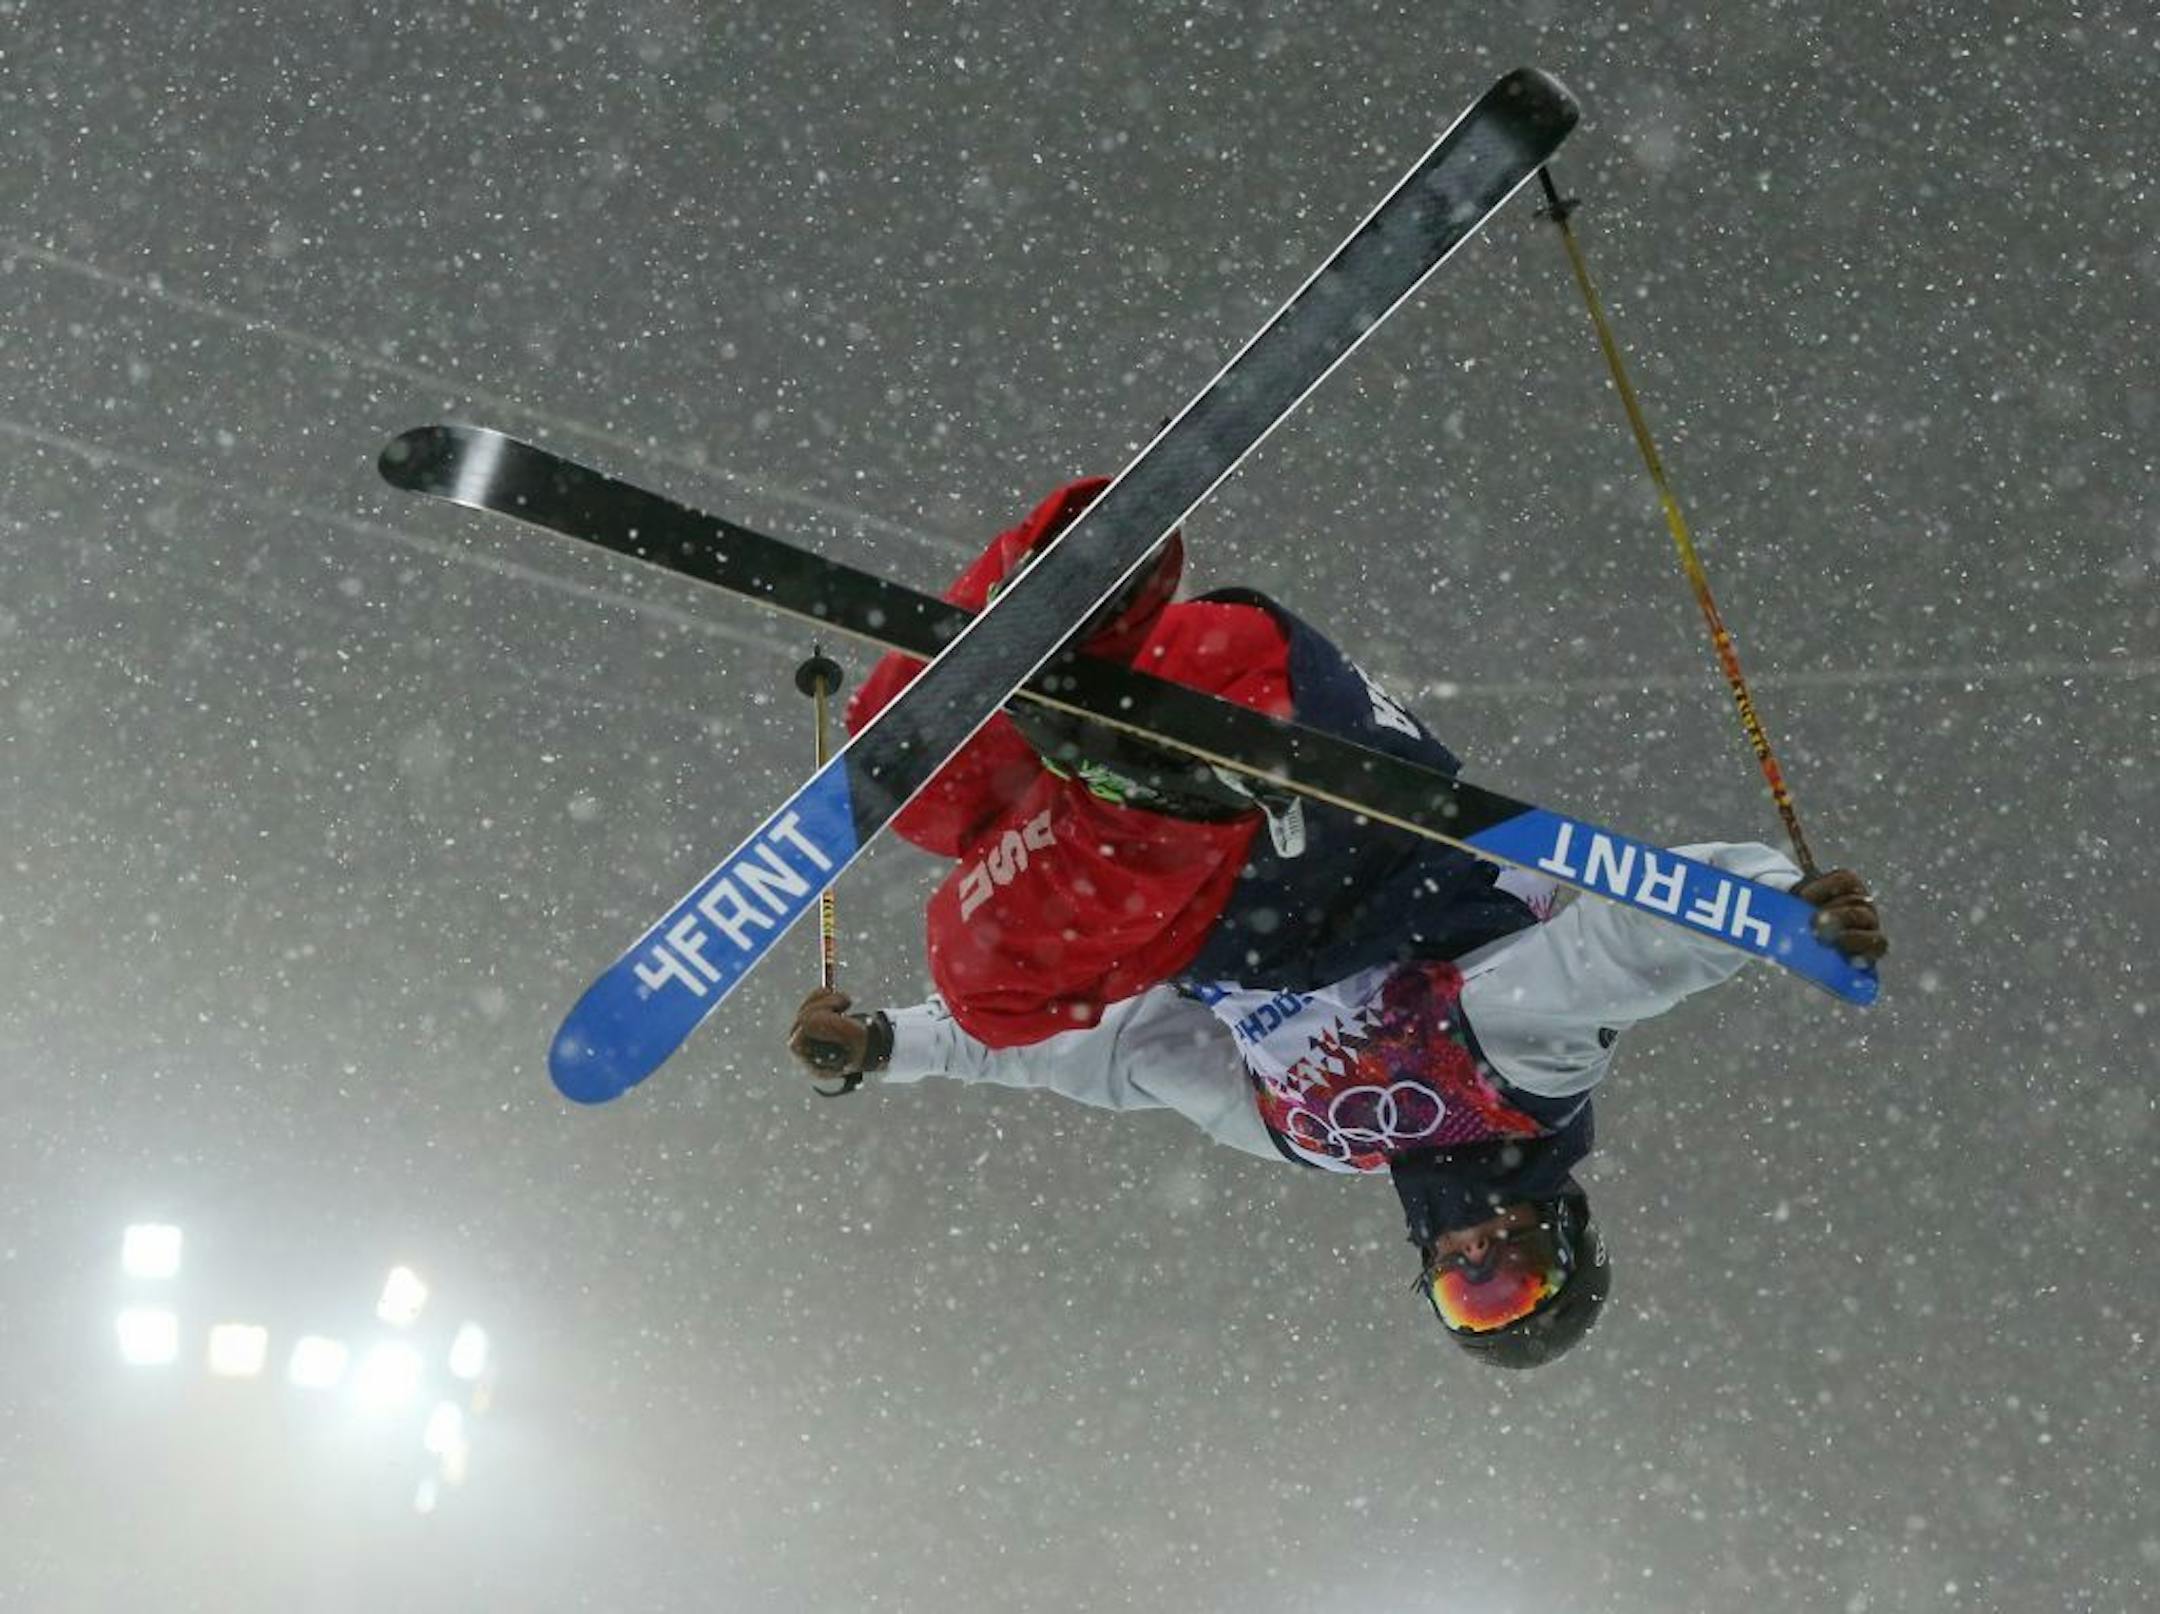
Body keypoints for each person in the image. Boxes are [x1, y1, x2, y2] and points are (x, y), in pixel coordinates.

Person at [786, 479, 1887, 1369]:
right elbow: (1637, 945)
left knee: (944, 855)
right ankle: (1139, 713)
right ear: (1564, 1227)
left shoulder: (1304, 1135)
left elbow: (1111, 1058)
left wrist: (893, 1043)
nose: (1480, 1253)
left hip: (1163, 839)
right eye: (1516, 1273)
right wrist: (1776, 909)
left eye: (1468, 1292)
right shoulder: (1521, 1077)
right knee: (1120, 819)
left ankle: (1054, 627)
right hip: (1307, 748)